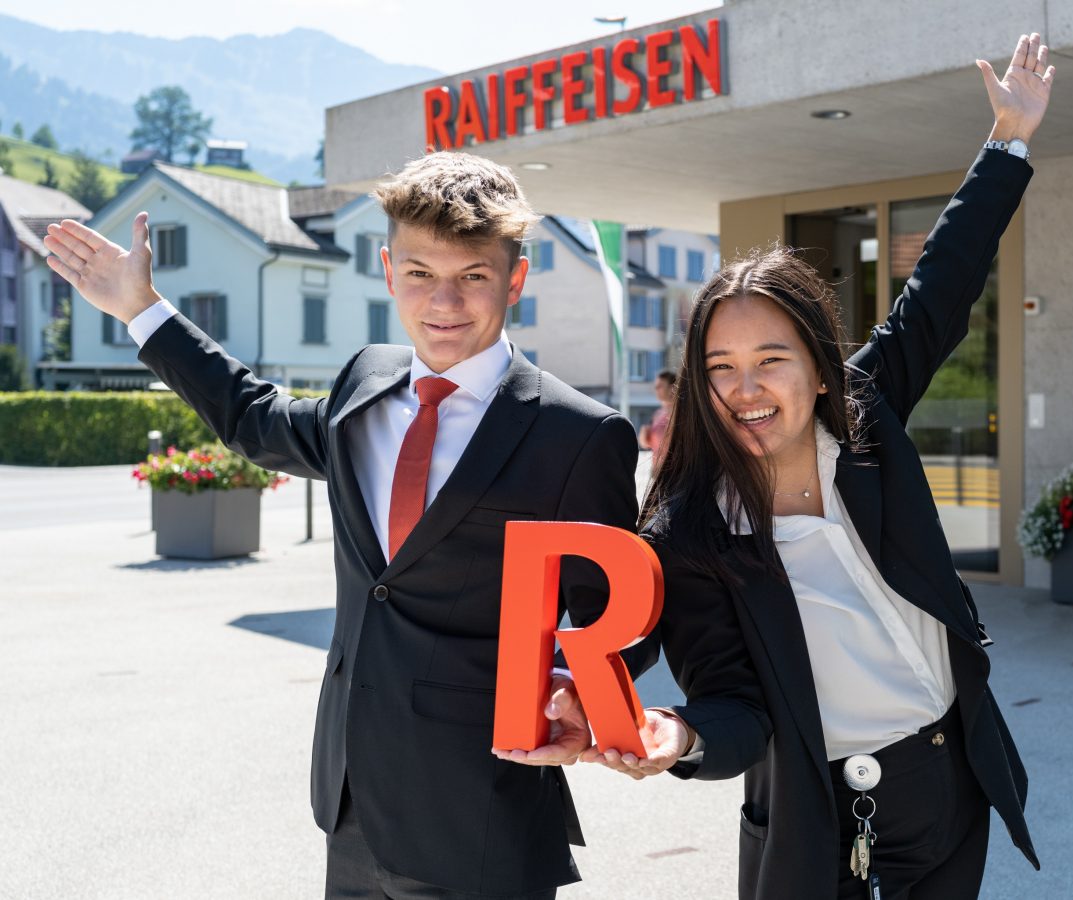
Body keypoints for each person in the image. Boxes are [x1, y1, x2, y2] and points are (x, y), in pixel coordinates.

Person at [43, 152, 766, 899]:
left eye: (473, 277)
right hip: (351, 799)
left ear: (514, 280)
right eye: (420, 273)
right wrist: (143, 311)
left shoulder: (579, 437)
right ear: (389, 271)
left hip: (482, 813)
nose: (443, 300)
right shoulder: (364, 384)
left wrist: (563, 690)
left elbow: (618, 621)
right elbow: (254, 419)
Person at [589, 33, 1056, 900]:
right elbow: (733, 701)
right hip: (822, 810)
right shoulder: (693, 528)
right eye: (720, 368)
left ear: (816, 360)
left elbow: (940, 288)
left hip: (952, 780)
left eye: (771, 359)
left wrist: (1008, 139)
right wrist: (679, 737)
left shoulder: (868, 411)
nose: (745, 390)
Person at [639, 369, 677, 467]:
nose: (656, 389)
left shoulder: (681, 413)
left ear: (672, 387)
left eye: (660, 386)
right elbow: (647, 443)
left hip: (675, 472)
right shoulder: (658, 414)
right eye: (656, 386)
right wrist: (644, 436)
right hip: (658, 471)